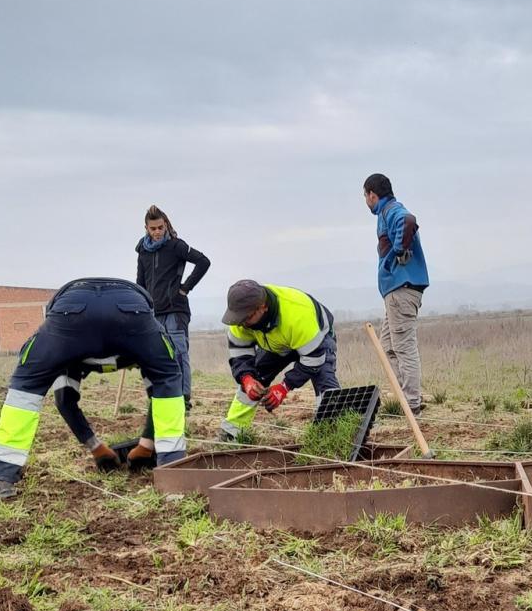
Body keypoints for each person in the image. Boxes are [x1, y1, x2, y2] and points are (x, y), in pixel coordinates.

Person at [0, 278, 186, 496]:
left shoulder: (65, 350)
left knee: (25, 388)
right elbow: (164, 391)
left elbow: (65, 401)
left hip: (69, 315)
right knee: (168, 378)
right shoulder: (143, 343)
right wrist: (143, 446)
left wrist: (96, 447)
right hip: (132, 312)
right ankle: (173, 473)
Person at [123, 205, 210, 470]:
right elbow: (140, 281)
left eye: (161, 227)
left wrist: (184, 288)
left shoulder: (176, 246)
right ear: (146, 229)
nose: (158, 232)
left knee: (179, 353)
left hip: (175, 310)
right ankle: (161, 397)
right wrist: (139, 305)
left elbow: (204, 261)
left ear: (166, 225)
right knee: (156, 356)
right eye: (153, 228)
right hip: (153, 312)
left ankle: (183, 399)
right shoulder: (142, 250)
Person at [218, 280, 339, 440]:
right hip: (277, 342)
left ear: (263, 307)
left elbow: (314, 360)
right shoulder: (240, 318)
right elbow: (239, 353)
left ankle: (331, 435)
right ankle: (231, 432)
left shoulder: (297, 315)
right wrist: (246, 378)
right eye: (239, 319)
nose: (242, 324)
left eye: (246, 319)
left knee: (324, 379)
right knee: (254, 378)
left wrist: (284, 387)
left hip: (315, 340)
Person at [364, 173, 428, 414]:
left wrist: (400, 250)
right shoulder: (385, 213)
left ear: (372, 194)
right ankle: (403, 397)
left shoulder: (391, 210)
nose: (366, 202)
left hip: (402, 289)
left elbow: (408, 220)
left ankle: (411, 404)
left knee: (403, 346)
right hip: (395, 292)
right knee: (388, 345)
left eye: (366, 197)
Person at [50, 355, 135, 472]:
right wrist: (95, 447)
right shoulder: (61, 351)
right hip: (81, 354)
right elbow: (64, 399)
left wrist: (147, 444)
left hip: (132, 349)